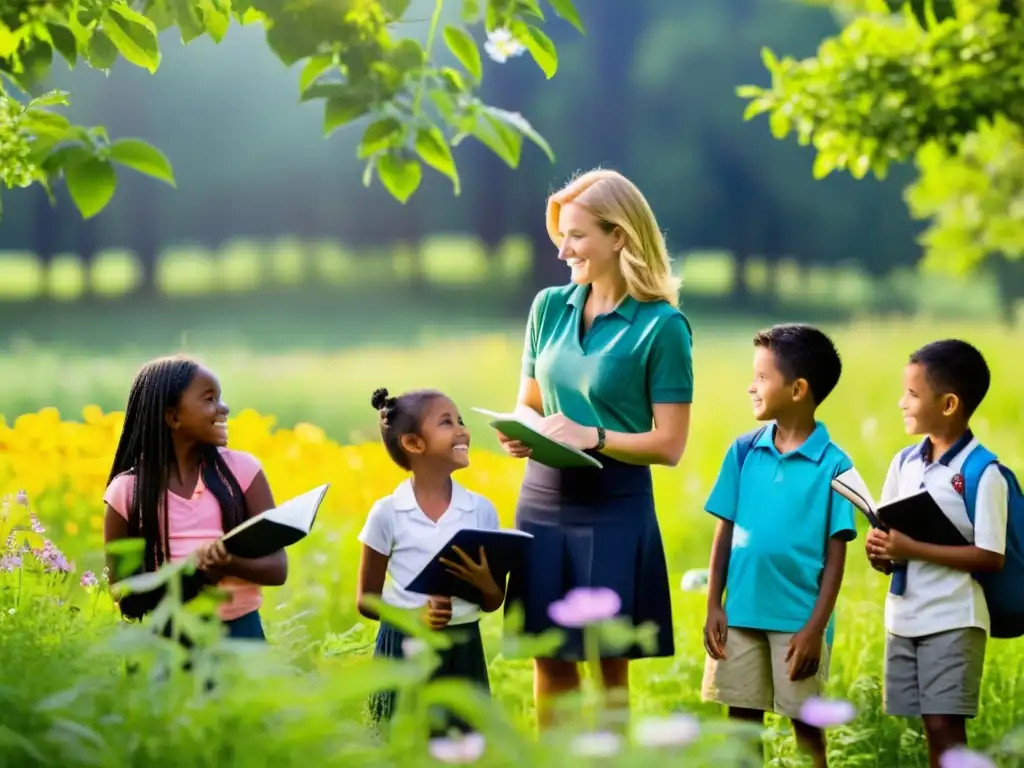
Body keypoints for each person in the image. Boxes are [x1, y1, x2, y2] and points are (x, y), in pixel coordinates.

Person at [497, 168, 693, 730]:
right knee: (549, 659)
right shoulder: (547, 307)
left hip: (614, 506)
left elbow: (671, 444)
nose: (562, 250)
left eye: (576, 235)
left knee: (608, 665)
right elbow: (528, 401)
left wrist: (596, 437)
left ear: (619, 237)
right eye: (561, 234)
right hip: (541, 501)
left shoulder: (663, 327)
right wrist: (521, 428)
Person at [700, 324, 857, 768]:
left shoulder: (835, 464)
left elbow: (836, 556)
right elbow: (724, 533)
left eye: (762, 377)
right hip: (742, 614)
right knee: (740, 725)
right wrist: (714, 603)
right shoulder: (743, 451)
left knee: (806, 727)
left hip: (798, 623)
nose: (751, 386)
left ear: (798, 389)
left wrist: (815, 629)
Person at [866, 340, 1008, 768]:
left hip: (953, 617)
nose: (901, 402)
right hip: (905, 616)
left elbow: (990, 556)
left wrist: (912, 548)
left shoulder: (984, 473)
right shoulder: (903, 463)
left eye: (912, 394)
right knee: (928, 727)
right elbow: (888, 532)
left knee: (947, 728)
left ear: (948, 404)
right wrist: (882, 552)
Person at [103, 355, 287, 643]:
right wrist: (197, 575)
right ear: (173, 416)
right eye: (209, 399)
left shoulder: (244, 472)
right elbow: (124, 595)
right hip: (165, 639)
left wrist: (229, 563)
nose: (223, 408)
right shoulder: (127, 491)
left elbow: (278, 569)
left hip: (241, 633)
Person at [356, 387, 505, 736]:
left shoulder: (480, 510)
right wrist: (414, 615)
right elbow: (366, 599)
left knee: (463, 746)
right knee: (401, 743)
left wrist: (484, 581)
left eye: (461, 421)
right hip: (403, 644)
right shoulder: (387, 513)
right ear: (413, 444)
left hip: (462, 647)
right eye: (446, 422)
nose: (462, 430)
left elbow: (494, 600)